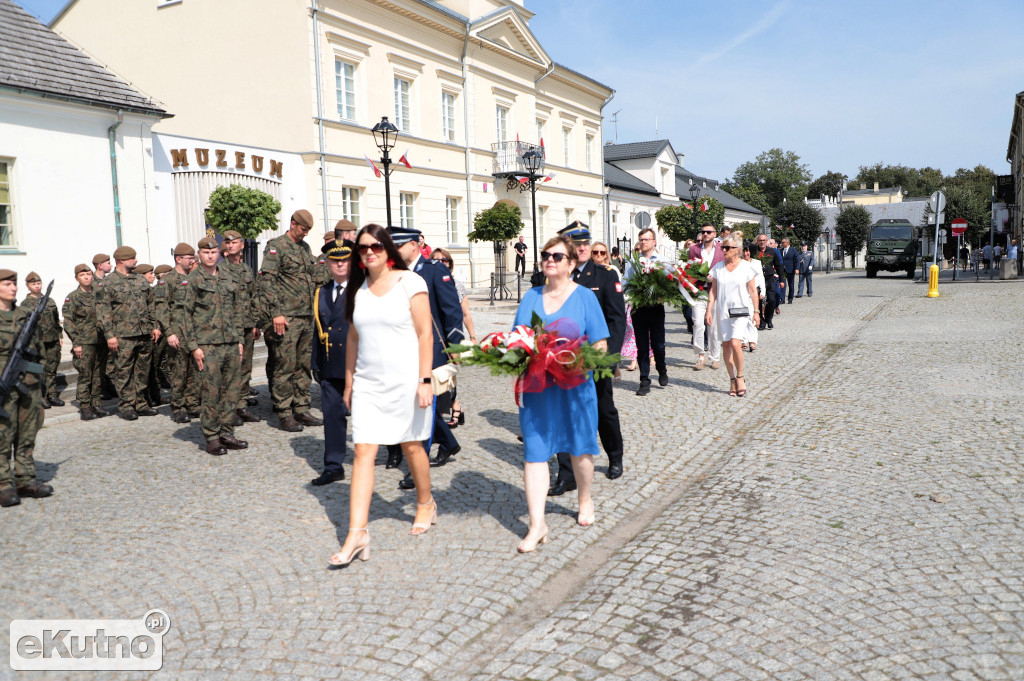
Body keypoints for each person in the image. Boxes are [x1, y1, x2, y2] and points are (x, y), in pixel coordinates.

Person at [328, 225, 437, 567]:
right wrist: (349, 383)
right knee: (363, 451)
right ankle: (357, 532)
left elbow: (424, 335)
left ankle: (425, 502)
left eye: (375, 246)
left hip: (407, 380)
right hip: (369, 384)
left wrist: (424, 379)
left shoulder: (410, 282)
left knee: (411, 445)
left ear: (388, 249)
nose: (369, 252)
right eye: (362, 248)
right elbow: (354, 341)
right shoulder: (356, 290)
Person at [513, 235, 609, 553]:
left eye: (557, 256)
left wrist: (580, 361)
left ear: (570, 263)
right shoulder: (530, 298)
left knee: (580, 449)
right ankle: (537, 524)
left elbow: (600, 344)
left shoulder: (584, 297)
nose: (549, 260)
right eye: (545, 255)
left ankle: (585, 498)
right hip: (538, 389)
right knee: (535, 453)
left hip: (575, 386)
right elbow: (518, 339)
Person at [549, 224, 625, 494]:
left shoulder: (604, 276)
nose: (582, 247)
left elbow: (617, 320)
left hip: (597, 358)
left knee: (604, 410)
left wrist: (610, 359)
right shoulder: (556, 277)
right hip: (564, 361)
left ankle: (615, 456)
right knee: (564, 414)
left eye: (586, 242)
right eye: (576, 243)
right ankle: (567, 474)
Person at [388, 227, 463, 485]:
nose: (393, 252)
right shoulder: (393, 274)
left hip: (430, 351)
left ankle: (417, 469)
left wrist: (455, 346)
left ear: (413, 245)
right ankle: (449, 442)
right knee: (409, 406)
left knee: (425, 409)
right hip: (401, 351)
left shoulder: (434, 270)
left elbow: (452, 311)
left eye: (397, 246)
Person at [179, 237, 247, 456]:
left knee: (232, 389)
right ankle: (212, 437)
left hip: (229, 343)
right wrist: (193, 347)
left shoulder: (228, 276)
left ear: (220, 253)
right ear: (199, 254)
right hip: (207, 345)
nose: (210, 256)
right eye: (206, 253)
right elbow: (185, 316)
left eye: (214, 252)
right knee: (211, 391)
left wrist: (239, 339)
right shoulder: (193, 281)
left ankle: (227, 432)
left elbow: (237, 310)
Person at [259, 209, 323, 432]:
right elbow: (267, 282)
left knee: (303, 365)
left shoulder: (305, 248)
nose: (305, 233)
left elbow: (314, 276)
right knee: (284, 365)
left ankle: (302, 407)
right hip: (286, 318)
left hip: (306, 316)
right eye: (303, 229)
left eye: (308, 230)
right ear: (293, 224)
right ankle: (284, 412)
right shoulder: (277, 246)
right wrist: (275, 313)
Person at [0, 269, 52, 507]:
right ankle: (3, 485)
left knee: (27, 434)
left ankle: (25, 480)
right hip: (3, 387)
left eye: (14, 284)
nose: (14, 288)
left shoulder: (26, 315)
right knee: (3, 435)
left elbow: (39, 351)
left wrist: (39, 381)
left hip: (28, 386)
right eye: (8, 284)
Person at [97, 246, 159, 420]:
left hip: (144, 333)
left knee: (143, 370)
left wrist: (154, 326)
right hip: (122, 335)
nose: (136, 260)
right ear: (122, 260)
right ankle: (127, 405)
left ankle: (141, 403)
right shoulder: (108, 283)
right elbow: (103, 311)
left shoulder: (140, 280)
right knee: (123, 371)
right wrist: (110, 335)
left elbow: (151, 304)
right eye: (132, 258)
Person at [311, 238, 354, 485]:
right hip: (331, 363)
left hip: (358, 365)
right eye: (335, 261)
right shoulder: (322, 292)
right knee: (332, 417)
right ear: (327, 263)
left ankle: (393, 450)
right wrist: (315, 362)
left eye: (345, 260)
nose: (340, 265)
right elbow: (317, 329)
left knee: (371, 415)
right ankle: (333, 465)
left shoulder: (362, 290)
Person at [705, 235, 759, 398]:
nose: (724, 251)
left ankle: (740, 377)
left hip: (740, 312)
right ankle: (732, 379)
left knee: (736, 343)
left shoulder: (746, 267)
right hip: (722, 312)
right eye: (723, 248)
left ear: (738, 250)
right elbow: (713, 291)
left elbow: (752, 290)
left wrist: (756, 312)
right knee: (726, 346)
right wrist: (709, 310)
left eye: (728, 248)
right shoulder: (718, 268)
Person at [430, 247, 476, 428]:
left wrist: (472, 337)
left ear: (450, 263)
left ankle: (452, 409)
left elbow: (465, 314)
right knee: (439, 376)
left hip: (451, 335)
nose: (441, 263)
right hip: (434, 336)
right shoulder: (427, 283)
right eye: (436, 260)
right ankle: (456, 408)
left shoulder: (456, 285)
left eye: (444, 260)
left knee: (447, 375)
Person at [220, 230, 262, 423]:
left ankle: (242, 405)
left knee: (245, 367)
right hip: (230, 329)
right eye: (227, 243)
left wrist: (255, 323)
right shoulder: (221, 270)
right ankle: (230, 408)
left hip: (246, 326)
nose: (230, 245)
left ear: (242, 245)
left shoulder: (246, 270)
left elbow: (254, 298)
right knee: (231, 369)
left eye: (234, 242)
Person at [623, 227, 667, 396]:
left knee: (659, 346)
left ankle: (662, 369)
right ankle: (644, 380)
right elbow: (626, 283)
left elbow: (669, 283)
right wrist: (628, 298)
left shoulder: (662, 261)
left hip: (656, 307)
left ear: (654, 242)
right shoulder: (633, 262)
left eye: (646, 239)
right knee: (641, 346)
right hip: (638, 308)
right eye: (641, 239)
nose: (643, 242)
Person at [162, 244, 201, 423]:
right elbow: (161, 308)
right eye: (189, 257)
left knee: (194, 371)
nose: (192, 260)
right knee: (178, 372)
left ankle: (192, 403)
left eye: (193, 257)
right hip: (177, 333)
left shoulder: (195, 278)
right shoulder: (168, 279)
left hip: (194, 333)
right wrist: (169, 332)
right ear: (178, 259)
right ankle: (178, 406)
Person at [63, 264, 107, 419]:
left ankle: (96, 403)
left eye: (89, 274)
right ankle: (84, 406)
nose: (87, 277)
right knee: (85, 375)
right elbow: (68, 321)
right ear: (77, 278)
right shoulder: (73, 297)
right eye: (83, 275)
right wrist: (76, 342)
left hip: (100, 340)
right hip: (84, 342)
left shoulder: (98, 294)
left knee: (98, 375)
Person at [20, 272, 64, 408]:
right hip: (36, 342)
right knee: (39, 370)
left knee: (52, 368)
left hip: (52, 340)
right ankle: (41, 396)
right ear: (28, 286)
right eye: (33, 284)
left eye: (38, 283)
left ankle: (52, 395)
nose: (37, 286)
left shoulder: (49, 301)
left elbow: (56, 320)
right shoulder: (24, 304)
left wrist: (60, 336)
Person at [688, 223, 724, 371]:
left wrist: (715, 277)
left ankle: (715, 357)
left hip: (716, 292)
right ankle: (700, 355)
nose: (705, 234)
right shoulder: (694, 249)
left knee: (714, 326)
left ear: (715, 234)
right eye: (703, 232)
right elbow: (690, 269)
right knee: (697, 323)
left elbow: (726, 268)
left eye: (709, 232)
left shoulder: (722, 249)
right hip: (699, 291)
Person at [752, 234, 784, 330]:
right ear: (757, 241)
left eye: (764, 240)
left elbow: (778, 266)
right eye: (760, 240)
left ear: (767, 241)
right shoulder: (754, 251)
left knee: (772, 299)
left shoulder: (772, 251)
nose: (762, 242)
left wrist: (781, 279)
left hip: (769, 278)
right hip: (757, 278)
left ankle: (768, 318)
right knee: (758, 300)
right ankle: (761, 321)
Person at [740, 243, 764, 352]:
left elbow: (761, 278)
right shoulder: (739, 264)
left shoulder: (757, 263)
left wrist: (762, 291)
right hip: (741, 293)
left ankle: (753, 341)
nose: (746, 253)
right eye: (744, 251)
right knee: (742, 317)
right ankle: (744, 340)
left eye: (747, 251)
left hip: (753, 293)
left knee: (753, 316)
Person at [778, 238, 798, 304]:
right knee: (782, 285)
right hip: (782, 271)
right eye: (782, 242)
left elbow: (797, 260)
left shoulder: (793, 250)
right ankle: (782, 299)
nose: (782, 243)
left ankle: (790, 298)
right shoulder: (780, 250)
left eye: (783, 242)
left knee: (791, 285)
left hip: (790, 270)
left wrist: (797, 269)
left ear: (787, 243)